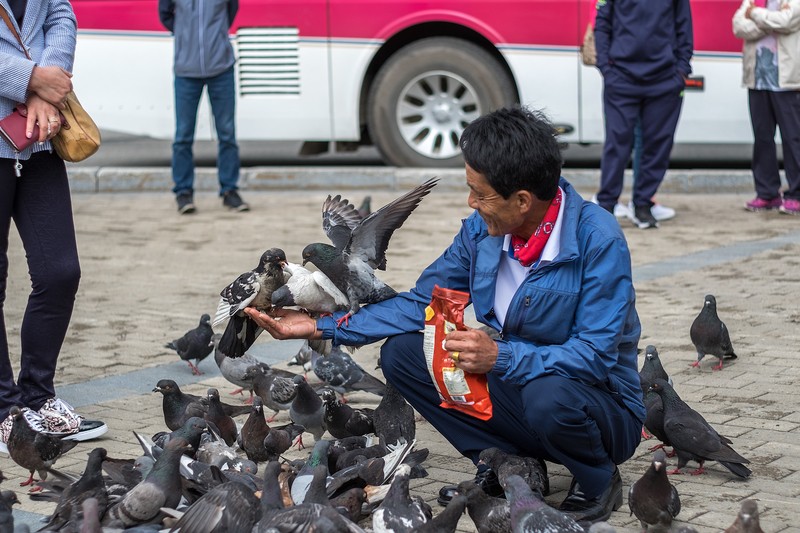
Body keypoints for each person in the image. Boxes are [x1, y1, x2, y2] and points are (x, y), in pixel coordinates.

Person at [246, 106, 645, 524]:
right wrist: (320, 325)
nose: (472, 202)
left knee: (549, 395)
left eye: (481, 193)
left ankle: (598, 478)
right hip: (525, 386)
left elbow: (595, 355)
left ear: (523, 200)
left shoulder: (597, 239)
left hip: (601, 406)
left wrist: (501, 358)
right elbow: (423, 303)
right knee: (403, 354)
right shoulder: (482, 232)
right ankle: (504, 460)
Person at [1, 0, 107, 454]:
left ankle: (37, 394)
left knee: (60, 271)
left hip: (37, 138)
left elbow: (60, 12)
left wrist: (48, 85)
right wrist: (28, 79)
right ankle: (5, 410)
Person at [593, 0, 693, 229]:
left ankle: (642, 204)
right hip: (621, 78)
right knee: (617, 143)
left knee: (657, 145)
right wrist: (606, 68)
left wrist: (681, 71)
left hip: (665, 80)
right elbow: (602, 23)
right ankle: (607, 204)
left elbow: (684, 27)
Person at [158, 0, 248, 214]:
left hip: (222, 68)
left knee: (227, 134)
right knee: (183, 136)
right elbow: (166, 15)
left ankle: (229, 191)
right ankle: (183, 192)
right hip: (186, 72)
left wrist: (213, 37)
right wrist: (185, 35)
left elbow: (231, 10)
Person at [733, 0, 800, 215]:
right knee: (762, 138)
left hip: (788, 81)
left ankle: (797, 194)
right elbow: (737, 26)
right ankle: (767, 193)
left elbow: (787, 21)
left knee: (793, 138)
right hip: (757, 79)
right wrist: (769, 21)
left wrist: (755, 15)